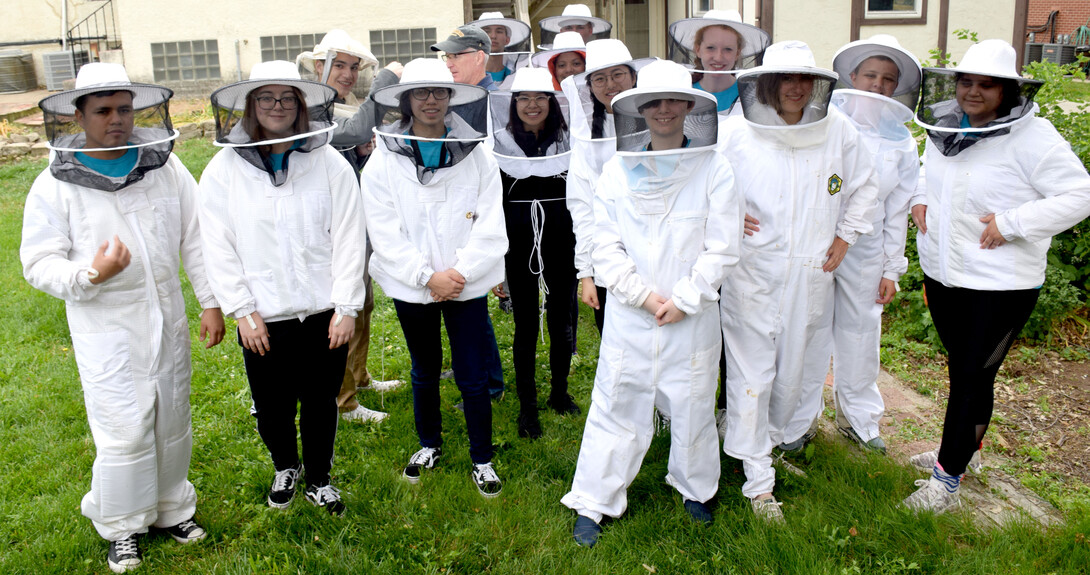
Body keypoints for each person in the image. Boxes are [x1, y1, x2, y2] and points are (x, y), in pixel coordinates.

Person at [21, 62, 224, 573]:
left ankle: (172, 509)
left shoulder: (166, 168)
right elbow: (38, 261)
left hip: (168, 317)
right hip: (105, 326)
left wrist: (211, 300)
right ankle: (123, 526)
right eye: (104, 110)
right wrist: (91, 273)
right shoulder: (55, 184)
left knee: (172, 418)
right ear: (78, 115)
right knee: (123, 428)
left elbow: (195, 238)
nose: (117, 119)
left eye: (125, 109)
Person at [902, 39, 1090, 513]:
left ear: (1008, 92)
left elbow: (1080, 195)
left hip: (1001, 285)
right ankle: (968, 455)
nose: (973, 91)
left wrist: (1011, 224)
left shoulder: (1035, 138)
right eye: (966, 81)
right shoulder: (947, 126)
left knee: (971, 375)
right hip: (945, 274)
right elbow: (931, 169)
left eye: (987, 84)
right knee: (966, 373)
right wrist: (919, 197)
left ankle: (946, 478)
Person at [562, 60, 744, 547]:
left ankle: (696, 487)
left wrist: (686, 300)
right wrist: (640, 295)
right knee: (617, 402)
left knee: (693, 405)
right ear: (640, 109)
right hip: (631, 315)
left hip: (693, 316)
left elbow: (722, 246)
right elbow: (605, 245)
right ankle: (595, 499)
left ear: (689, 107)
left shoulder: (715, 168)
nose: (664, 110)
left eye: (673, 101)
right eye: (654, 102)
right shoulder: (617, 171)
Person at [716, 41, 878, 523]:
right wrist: (727, 213)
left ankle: (775, 443)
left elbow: (865, 184)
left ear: (818, 85)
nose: (795, 87)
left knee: (801, 369)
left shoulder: (839, 130)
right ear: (765, 83)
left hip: (813, 273)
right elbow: (703, 180)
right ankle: (758, 482)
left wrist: (846, 236)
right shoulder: (735, 133)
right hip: (753, 272)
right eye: (786, 78)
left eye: (804, 79)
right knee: (753, 372)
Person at [198, 61, 366, 517]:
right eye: (267, 98)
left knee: (319, 402)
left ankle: (319, 478)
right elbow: (216, 243)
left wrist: (347, 305)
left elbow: (350, 235)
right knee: (271, 407)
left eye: (287, 98)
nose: (277, 107)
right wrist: (241, 310)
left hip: (323, 311)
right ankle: (284, 466)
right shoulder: (223, 170)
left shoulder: (329, 162)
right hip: (263, 317)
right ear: (251, 106)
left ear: (301, 105)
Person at [361, 58, 508, 498]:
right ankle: (429, 445)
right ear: (405, 99)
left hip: (466, 284)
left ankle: (482, 457)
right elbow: (384, 231)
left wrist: (458, 274)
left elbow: (489, 222)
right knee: (424, 370)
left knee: (472, 374)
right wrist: (427, 277)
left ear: (451, 97)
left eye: (439, 92)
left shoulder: (478, 154)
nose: (430, 100)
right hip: (413, 287)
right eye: (421, 93)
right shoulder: (383, 160)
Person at [786, 35, 921, 454]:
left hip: (867, 247)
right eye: (870, 75)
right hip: (818, 240)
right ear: (852, 76)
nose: (878, 85)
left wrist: (891, 268)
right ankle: (798, 422)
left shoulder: (902, 141)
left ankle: (859, 421)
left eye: (888, 78)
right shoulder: (820, 122)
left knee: (861, 334)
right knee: (807, 330)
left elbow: (898, 208)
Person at [297, 29, 405, 425]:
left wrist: (359, 152)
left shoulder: (335, 103)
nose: (347, 74)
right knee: (340, 304)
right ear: (318, 66)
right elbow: (356, 130)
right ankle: (342, 400)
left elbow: (350, 142)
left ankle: (358, 378)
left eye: (353, 67)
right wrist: (386, 82)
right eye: (339, 65)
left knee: (362, 300)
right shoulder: (306, 103)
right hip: (325, 225)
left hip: (351, 218)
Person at [489, 67, 578, 439]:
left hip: (563, 243)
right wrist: (496, 266)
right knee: (526, 324)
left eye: (540, 97)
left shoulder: (569, 140)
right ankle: (528, 409)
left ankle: (559, 393)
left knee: (562, 320)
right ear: (513, 105)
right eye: (524, 98)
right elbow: (490, 206)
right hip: (517, 247)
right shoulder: (498, 144)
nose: (532, 105)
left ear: (552, 103)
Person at [431, 25, 508, 400]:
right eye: (445, 56)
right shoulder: (455, 97)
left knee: (472, 297)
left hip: (485, 210)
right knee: (460, 298)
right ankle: (471, 367)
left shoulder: (496, 100)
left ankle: (488, 382)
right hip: (454, 211)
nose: (448, 63)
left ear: (480, 56)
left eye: (455, 55)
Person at [563, 39, 647, 335]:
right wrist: (587, 274)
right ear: (590, 87)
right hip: (609, 260)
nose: (609, 84)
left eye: (617, 74)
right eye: (600, 78)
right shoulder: (586, 141)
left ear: (633, 76)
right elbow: (582, 207)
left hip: (658, 255)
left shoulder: (661, 120)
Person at [667, 9, 770, 115]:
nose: (718, 57)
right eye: (710, 48)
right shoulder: (684, 94)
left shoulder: (752, 97)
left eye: (728, 49)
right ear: (698, 50)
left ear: (737, 53)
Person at [471, 12, 533, 85]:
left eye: (499, 31)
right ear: (478, 39)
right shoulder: (467, 77)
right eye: (487, 32)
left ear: (507, 40)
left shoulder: (519, 77)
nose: (493, 36)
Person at [538, 3, 612, 48]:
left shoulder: (597, 59)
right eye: (568, 28)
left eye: (580, 27)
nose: (574, 32)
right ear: (561, 31)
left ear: (590, 30)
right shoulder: (547, 61)